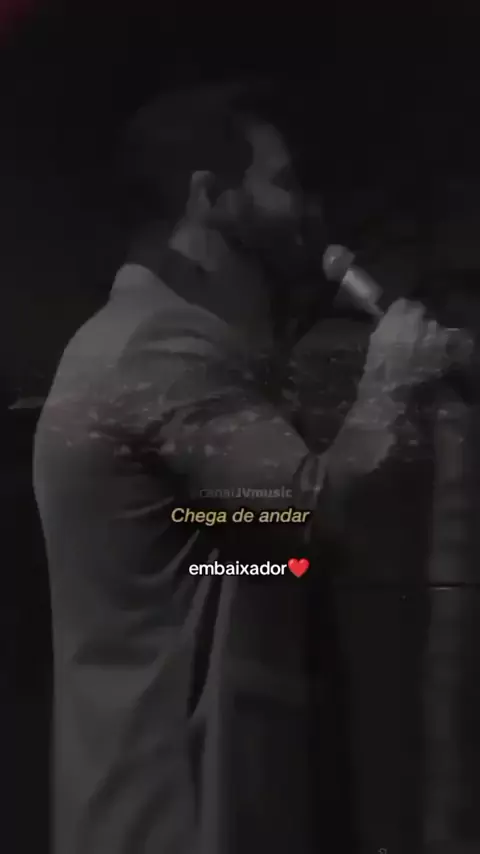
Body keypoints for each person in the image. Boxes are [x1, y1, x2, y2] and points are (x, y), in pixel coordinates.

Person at [33, 81, 455, 854]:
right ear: (210, 195)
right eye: (282, 182)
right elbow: (307, 512)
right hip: (175, 813)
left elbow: (238, 542)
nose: (305, 209)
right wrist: (392, 379)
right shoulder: (160, 349)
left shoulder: (160, 343)